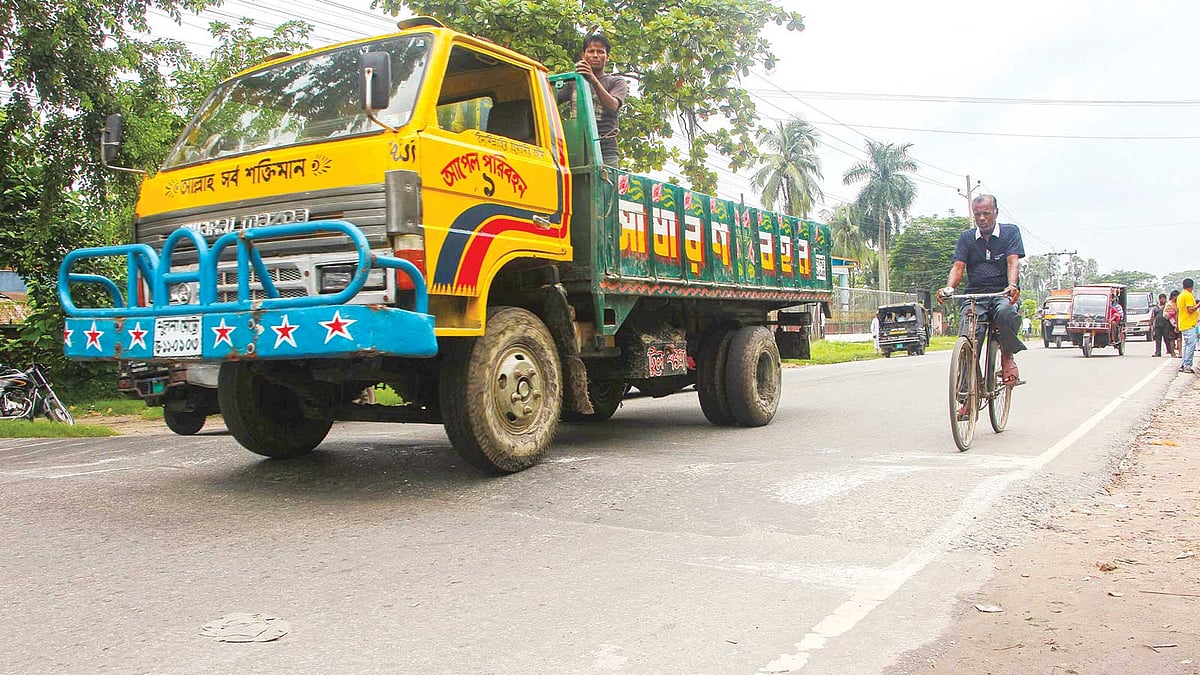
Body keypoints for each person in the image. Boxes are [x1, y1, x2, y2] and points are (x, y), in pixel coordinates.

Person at [938, 194, 1026, 401]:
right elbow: (958, 267)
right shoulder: (966, 238)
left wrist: (1012, 285)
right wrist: (949, 287)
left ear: (995, 213)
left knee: (1006, 312)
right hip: (975, 295)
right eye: (977, 214)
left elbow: (1013, 262)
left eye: (986, 213)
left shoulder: (1010, 232)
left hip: (1003, 293)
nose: (982, 218)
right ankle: (969, 395)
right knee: (968, 338)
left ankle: (1007, 355)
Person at [556, 34, 627, 165]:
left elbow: (612, 106)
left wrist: (592, 79)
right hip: (577, 148)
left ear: (607, 57)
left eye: (600, 52)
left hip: (605, 152)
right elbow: (550, 99)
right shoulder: (573, 82)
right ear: (584, 56)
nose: (595, 55)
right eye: (591, 51)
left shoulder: (616, 82)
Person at [1178, 278, 1199, 373]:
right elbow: (1190, 309)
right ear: (1191, 286)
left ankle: (1183, 364)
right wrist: (1199, 305)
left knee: (1187, 346)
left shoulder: (1181, 295)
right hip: (1189, 324)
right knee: (1190, 346)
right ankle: (1187, 366)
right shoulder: (1188, 296)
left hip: (1184, 323)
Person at [1152, 293, 1175, 357]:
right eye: (1161, 299)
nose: (1163, 300)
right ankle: (1157, 352)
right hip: (1157, 326)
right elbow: (1153, 316)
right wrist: (1151, 324)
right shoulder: (1155, 308)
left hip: (1166, 325)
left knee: (1167, 339)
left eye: (1164, 299)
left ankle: (1170, 351)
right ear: (1159, 299)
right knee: (1158, 340)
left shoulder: (1167, 306)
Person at [1166, 289, 1181, 357]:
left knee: (1179, 338)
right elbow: (1166, 314)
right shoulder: (1169, 304)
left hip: (1179, 322)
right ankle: (1173, 353)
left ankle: (1180, 352)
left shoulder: (1179, 303)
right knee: (1172, 339)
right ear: (1172, 296)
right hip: (1171, 323)